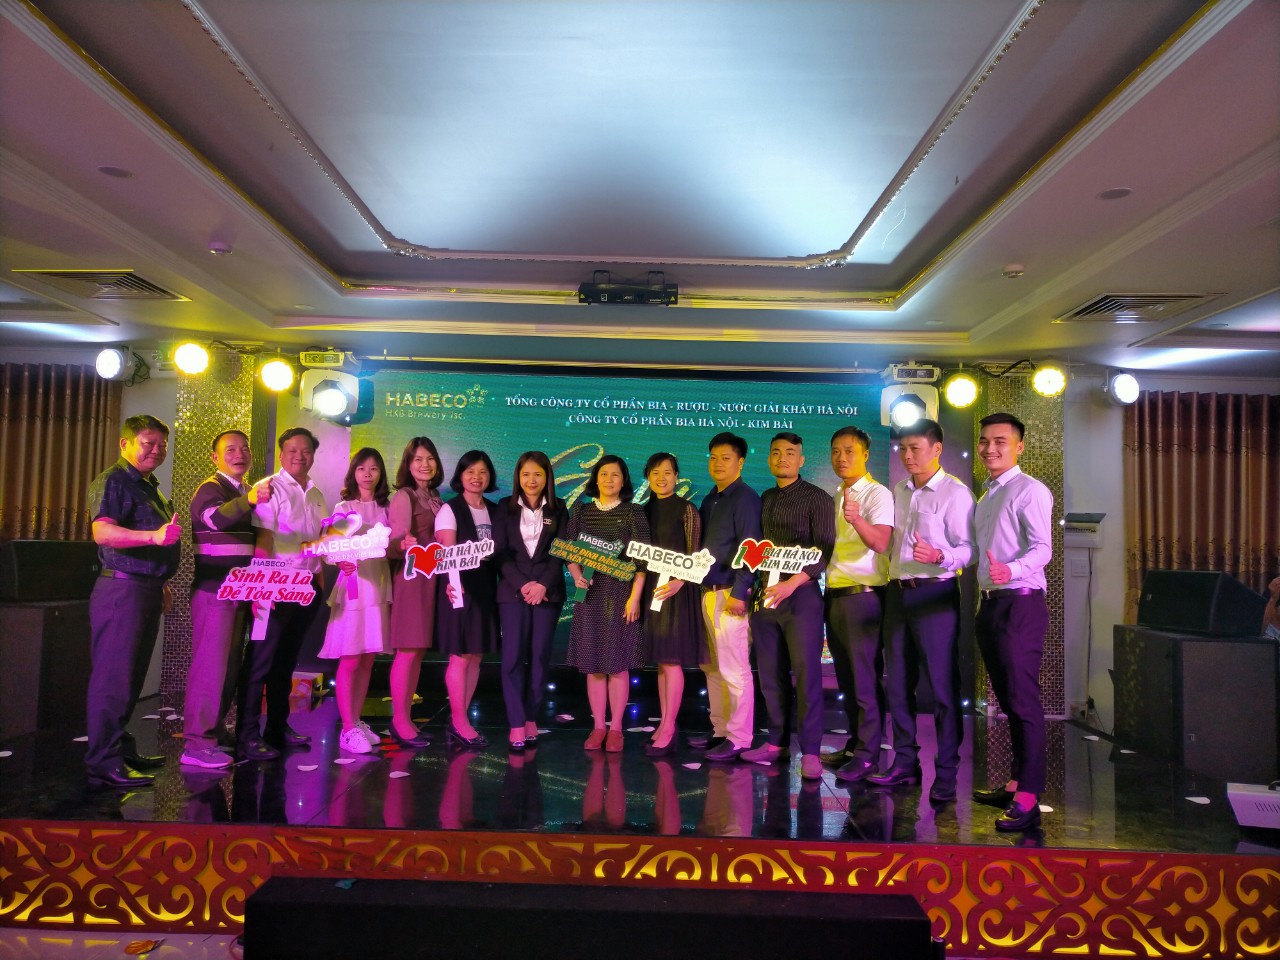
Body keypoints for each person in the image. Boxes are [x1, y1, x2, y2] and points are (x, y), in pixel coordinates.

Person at [869, 418, 975, 805]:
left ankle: (946, 774)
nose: (907, 455)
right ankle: (904, 763)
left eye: (915, 448)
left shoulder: (956, 493)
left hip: (935, 594)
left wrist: (940, 556)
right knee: (898, 683)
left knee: (943, 689)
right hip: (898, 594)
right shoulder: (899, 490)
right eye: (903, 448)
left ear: (937, 449)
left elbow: (970, 549)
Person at [84, 414, 182, 788]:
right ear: (125, 444)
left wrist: (161, 582)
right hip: (121, 591)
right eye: (148, 443)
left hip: (145, 588)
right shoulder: (114, 480)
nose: (156, 450)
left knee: (131, 677)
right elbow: (102, 532)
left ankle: (119, 749)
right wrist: (153, 537)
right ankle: (102, 761)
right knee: (114, 679)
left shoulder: (147, 484)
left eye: (162, 445)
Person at [971, 412, 1053, 831]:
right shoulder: (986, 496)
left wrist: (1012, 570)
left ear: (1019, 447)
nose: (990, 449)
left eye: (1000, 441)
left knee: (1023, 702)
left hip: (1020, 603)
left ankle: (1029, 797)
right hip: (991, 605)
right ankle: (1017, 781)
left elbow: (1043, 549)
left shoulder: (1030, 490)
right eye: (985, 441)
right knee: (1008, 701)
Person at [743, 432, 836, 781]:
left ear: (801, 460)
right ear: (769, 459)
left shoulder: (817, 498)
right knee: (770, 675)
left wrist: (791, 583)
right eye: (776, 453)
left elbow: (823, 551)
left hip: (801, 596)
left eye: (790, 453)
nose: (783, 458)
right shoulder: (765, 498)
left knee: (807, 674)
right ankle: (776, 743)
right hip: (765, 596)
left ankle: (810, 751)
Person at [183, 430, 272, 770]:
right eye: (230, 449)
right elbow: (214, 519)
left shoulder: (242, 491)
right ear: (215, 457)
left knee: (228, 667)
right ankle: (196, 744)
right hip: (215, 591)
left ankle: (214, 731)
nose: (239, 454)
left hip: (238, 592)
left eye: (244, 448)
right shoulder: (211, 488)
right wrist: (250, 499)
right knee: (210, 668)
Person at [237, 427, 326, 760]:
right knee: (260, 660)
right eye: (292, 450)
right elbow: (263, 539)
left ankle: (277, 727)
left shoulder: (316, 493)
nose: (299, 456)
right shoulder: (270, 488)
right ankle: (246, 735)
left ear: (313, 455)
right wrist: (261, 588)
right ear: (281, 453)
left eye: (305, 451)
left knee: (286, 660)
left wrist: (319, 580)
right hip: (273, 586)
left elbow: (318, 541)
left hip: (307, 587)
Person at [564, 455, 649, 753]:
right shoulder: (581, 510)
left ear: (624, 480)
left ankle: (617, 729)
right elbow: (569, 551)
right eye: (603, 474)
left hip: (620, 595)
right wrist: (577, 575)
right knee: (593, 664)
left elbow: (642, 561)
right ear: (595, 479)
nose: (609, 479)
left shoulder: (633, 512)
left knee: (618, 663)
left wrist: (635, 597)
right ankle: (598, 726)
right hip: (589, 595)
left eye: (615, 475)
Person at [824, 426, 895, 784]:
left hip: (863, 595)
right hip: (835, 593)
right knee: (847, 678)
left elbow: (881, 542)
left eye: (849, 451)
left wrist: (857, 519)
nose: (842, 458)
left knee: (865, 679)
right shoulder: (837, 494)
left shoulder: (877, 493)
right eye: (836, 451)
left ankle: (869, 755)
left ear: (866, 454)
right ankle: (855, 747)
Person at [318, 447, 393, 755]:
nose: (367, 474)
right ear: (353, 473)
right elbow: (329, 548)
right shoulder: (343, 506)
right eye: (362, 468)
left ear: (381, 473)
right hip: (353, 587)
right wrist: (341, 561)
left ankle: (357, 720)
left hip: (378, 586)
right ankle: (347, 729)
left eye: (374, 468)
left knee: (368, 658)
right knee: (350, 656)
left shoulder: (387, 507)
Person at [492, 451, 569, 752]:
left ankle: (531, 717)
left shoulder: (560, 508)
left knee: (539, 657)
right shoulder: (504, 507)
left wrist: (542, 585)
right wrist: (524, 585)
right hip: (513, 593)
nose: (532, 480)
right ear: (518, 477)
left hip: (548, 594)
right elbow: (499, 552)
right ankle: (515, 722)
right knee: (512, 658)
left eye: (538, 474)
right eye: (526, 474)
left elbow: (561, 550)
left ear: (547, 476)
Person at [696, 433, 763, 763]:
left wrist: (740, 592)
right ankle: (720, 730)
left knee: (735, 669)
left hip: (730, 594)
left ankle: (739, 737)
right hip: (707, 592)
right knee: (713, 667)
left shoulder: (745, 498)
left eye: (725, 458)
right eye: (713, 457)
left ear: (741, 462)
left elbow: (753, 548)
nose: (718, 463)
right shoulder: (711, 499)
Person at [639, 452, 706, 757]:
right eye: (655, 473)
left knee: (671, 660)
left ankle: (668, 727)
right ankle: (665, 723)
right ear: (648, 477)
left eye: (667, 472)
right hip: (651, 590)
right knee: (661, 661)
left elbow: (696, 556)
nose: (661, 478)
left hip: (677, 591)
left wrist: (681, 580)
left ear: (676, 476)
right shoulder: (642, 511)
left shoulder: (687, 509)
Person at [436, 449, 501, 749]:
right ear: (460, 476)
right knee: (460, 655)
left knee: (475, 655)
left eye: (482, 472)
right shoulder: (449, 510)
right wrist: (453, 584)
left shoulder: (495, 510)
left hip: (487, 586)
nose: (477, 477)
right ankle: (459, 721)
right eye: (470, 471)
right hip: (459, 588)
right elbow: (447, 554)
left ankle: (459, 720)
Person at [385, 436, 445, 749]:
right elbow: (393, 543)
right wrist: (402, 544)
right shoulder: (404, 496)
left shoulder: (434, 496)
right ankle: (398, 720)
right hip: (411, 581)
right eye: (418, 459)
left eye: (430, 458)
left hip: (431, 579)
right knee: (408, 651)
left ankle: (406, 718)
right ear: (408, 465)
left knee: (417, 652)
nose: (425, 464)